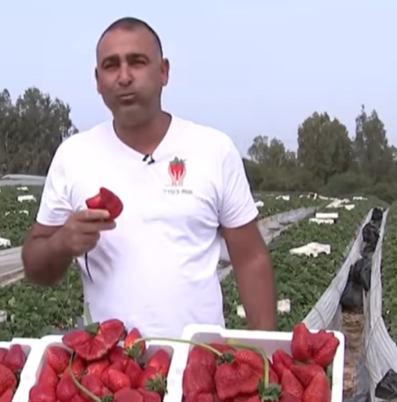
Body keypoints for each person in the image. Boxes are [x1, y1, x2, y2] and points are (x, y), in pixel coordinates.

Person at [21, 17, 277, 338]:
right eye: (111, 66)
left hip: (199, 363)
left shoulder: (213, 149)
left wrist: (265, 353)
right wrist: (61, 243)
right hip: (110, 368)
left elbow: (251, 257)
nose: (124, 77)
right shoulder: (73, 156)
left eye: (137, 62)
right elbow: (35, 267)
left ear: (163, 71)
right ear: (98, 80)